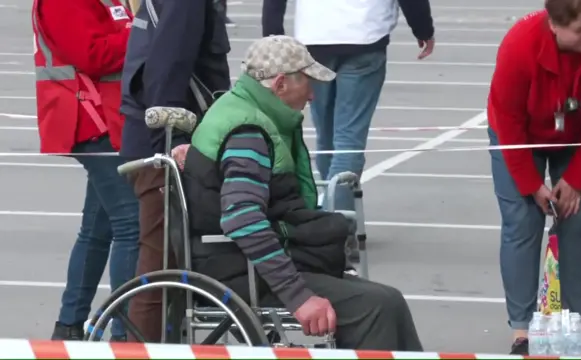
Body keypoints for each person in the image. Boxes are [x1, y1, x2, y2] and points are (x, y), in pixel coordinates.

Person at [181, 35, 423, 351]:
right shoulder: (248, 133)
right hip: (240, 272)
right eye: (307, 84)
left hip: (242, 262)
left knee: (385, 301)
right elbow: (242, 218)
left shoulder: (242, 110)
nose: (312, 95)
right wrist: (299, 297)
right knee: (378, 306)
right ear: (280, 85)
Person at [487, 0, 581, 355]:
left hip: (579, 136)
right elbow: (508, 120)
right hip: (520, 136)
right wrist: (531, 185)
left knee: (578, 221)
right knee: (522, 222)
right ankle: (522, 331)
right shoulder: (519, 45)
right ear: (554, 24)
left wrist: (579, 177)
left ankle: (576, 325)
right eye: (580, 30)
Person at [262, 0, 435, 263]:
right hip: (363, 35)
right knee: (348, 140)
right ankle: (336, 229)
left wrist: (272, 34)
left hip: (314, 36)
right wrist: (422, 27)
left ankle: (331, 219)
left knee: (328, 137)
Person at [119, 0, 231, 342]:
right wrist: (173, 145)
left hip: (161, 141)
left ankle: (160, 345)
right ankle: (140, 349)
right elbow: (168, 67)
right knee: (159, 274)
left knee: (170, 270)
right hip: (165, 147)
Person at [32, 0, 139, 342]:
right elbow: (91, 55)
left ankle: (68, 326)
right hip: (89, 119)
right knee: (131, 224)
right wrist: (143, 34)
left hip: (103, 118)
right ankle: (124, 333)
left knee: (99, 227)